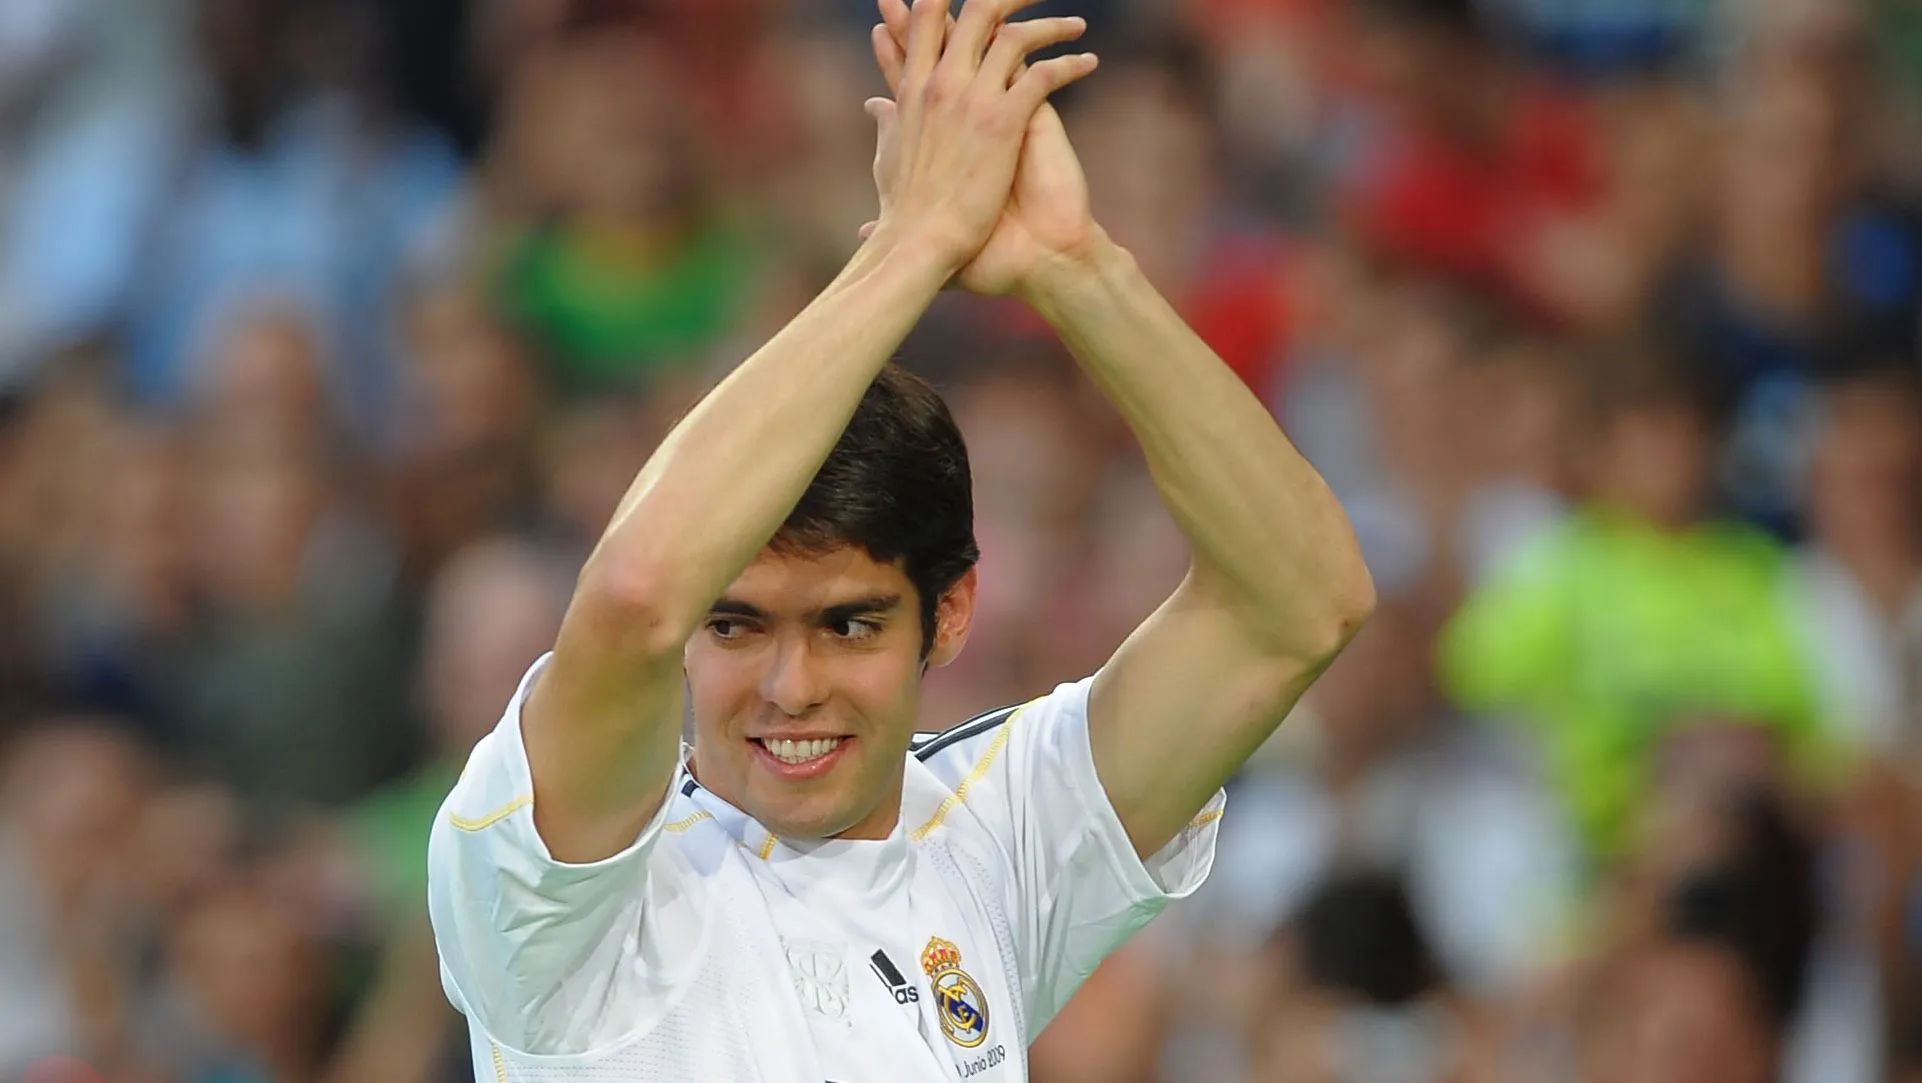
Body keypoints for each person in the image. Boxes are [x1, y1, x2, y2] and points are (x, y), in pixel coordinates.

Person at [425, 0, 1374, 1079]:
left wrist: (1073, 265)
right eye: (734, 624)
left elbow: (1298, 600)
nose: (789, 686)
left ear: (950, 613)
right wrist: (911, 246)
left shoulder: (999, 835)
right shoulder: (555, 881)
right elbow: (635, 593)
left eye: (846, 624)